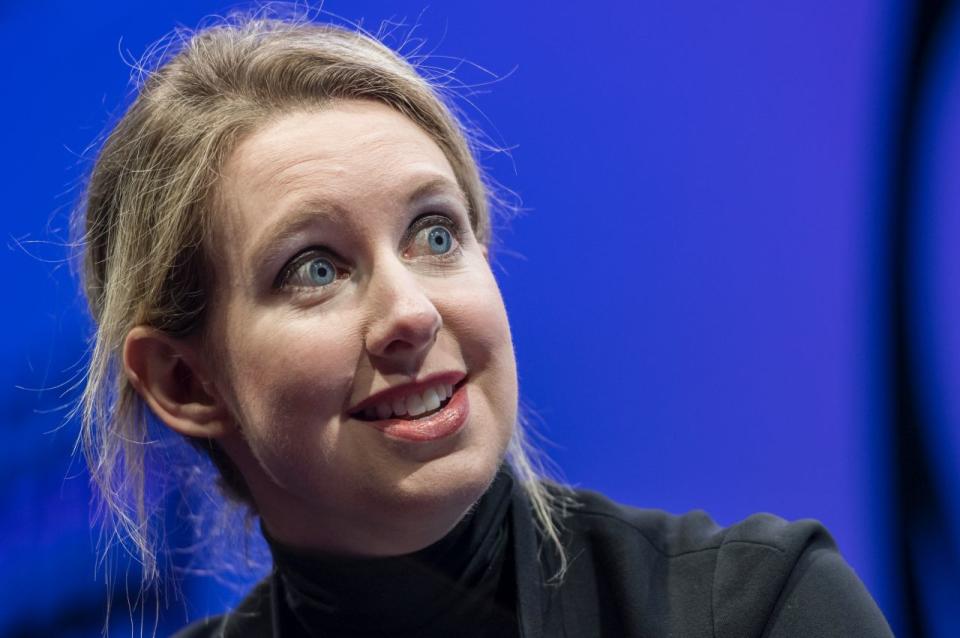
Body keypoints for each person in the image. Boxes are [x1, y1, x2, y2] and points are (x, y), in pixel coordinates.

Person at [76, 12, 894, 637]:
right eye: (315, 270)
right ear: (185, 382)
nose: (410, 311)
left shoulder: (754, 609)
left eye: (435, 236)